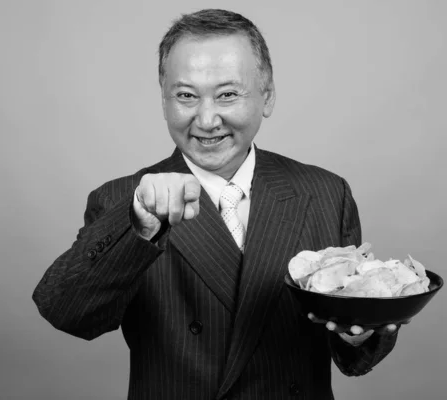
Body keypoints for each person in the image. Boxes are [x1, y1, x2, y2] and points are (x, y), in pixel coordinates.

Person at [33, 9, 401, 400]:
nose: (207, 120)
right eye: (186, 96)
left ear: (268, 96)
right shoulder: (122, 200)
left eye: (227, 94)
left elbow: (354, 358)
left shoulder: (326, 192)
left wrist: (361, 333)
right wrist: (138, 226)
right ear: (163, 98)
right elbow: (68, 314)